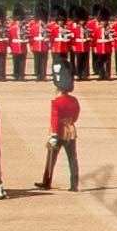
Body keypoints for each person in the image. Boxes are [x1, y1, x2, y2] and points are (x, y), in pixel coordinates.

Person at [36, 61, 81, 191]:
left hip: (59, 131)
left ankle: (47, 182)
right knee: (72, 158)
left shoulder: (56, 102)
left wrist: (54, 135)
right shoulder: (74, 100)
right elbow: (76, 115)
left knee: (51, 158)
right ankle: (74, 185)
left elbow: (54, 119)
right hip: (71, 130)